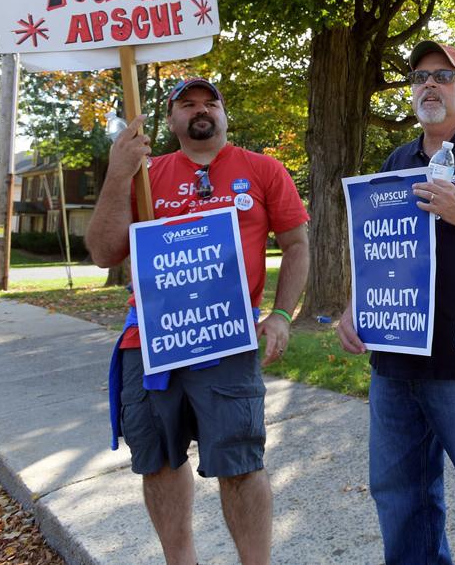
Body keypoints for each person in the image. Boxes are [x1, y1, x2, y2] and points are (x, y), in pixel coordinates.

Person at [87, 78, 310, 565]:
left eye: (211, 102)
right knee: (160, 462)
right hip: (149, 343)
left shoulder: (264, 170)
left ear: (225, 114)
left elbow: (296, 245)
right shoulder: (145, 175)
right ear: (171, 121)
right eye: (187, 104)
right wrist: (118, 172)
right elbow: (104, 252)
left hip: (226, 339)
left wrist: (280, 315)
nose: (200, 110)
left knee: (241, 463)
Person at [337, 40, 455, 565]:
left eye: (442, 75)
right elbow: (377, 252)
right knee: (399, 494)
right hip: (394, 365)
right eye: (418, 78)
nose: (428, 85)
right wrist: (357, 307)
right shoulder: (398, 160)